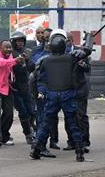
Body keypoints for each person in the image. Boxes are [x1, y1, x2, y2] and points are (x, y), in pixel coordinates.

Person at [29, 29, 92, 162]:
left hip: (52, 95)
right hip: (68, 94)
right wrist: (83, 49)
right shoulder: (71, 58)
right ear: (65, 45)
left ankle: (36, 150)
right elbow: (87, 52)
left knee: (46, 124)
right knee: (73, 123)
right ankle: (79, 152)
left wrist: (42, 92)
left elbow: (41, 79)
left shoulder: (45, 61)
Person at [0, 40, 25, 148]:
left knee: (9, 114)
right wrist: (16, 60)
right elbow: (3, 63)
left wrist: (21, 61)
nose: (8, 49)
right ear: (0, 48)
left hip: (6, 87)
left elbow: (13, 66)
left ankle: (4, 136)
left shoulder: (11, 56)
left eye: (10, 47)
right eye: (6, 48)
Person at [29, 28, 58, 158]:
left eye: (49, 39)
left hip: (56, 89)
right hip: (41, 88)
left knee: (49, 118)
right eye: (46, 38)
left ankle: (47, 142)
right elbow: (35, 65)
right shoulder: (37, 52)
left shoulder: (59, 52)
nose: (47, 41)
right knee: (42, 117)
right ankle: (40, 146)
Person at [63, 32, 91, 153]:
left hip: (80, 89)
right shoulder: (61, 54)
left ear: (72, 40)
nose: (67, 42)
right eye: (65, 40)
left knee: (81, 116)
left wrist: (82, 63)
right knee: (68, 116)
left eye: (69, 39)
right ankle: (72, 141)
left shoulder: (81, 52)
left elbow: (88, 68)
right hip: (66, 89)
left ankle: (84, 142)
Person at [10, 31, 35, 144]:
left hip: (26, 86)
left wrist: (27, 60)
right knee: (23, 112)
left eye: (21, 41)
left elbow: (32, 67)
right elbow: (11, 68)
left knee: (31, 111)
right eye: (17, 41)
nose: (20, 43)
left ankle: (32, 128)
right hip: (14, 87)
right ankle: (28, 134)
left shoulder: (27, 52)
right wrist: (19, 61)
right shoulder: (11, 54)